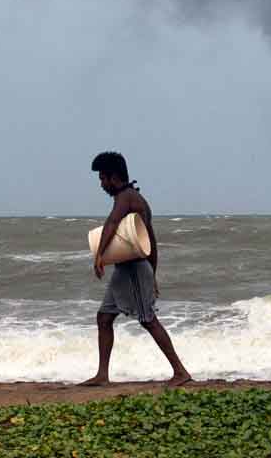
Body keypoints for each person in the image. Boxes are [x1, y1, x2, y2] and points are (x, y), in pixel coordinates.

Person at [82, 152, 192, 388]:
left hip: (133, 270)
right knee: (103, 318)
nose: (101, 184)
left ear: (114, 177)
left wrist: (99, 255)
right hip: (125, 270)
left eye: (103, 178)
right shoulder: (130, 197)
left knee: (148, 319)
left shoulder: (127, 198)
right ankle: (102, 375)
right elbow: (150, 240)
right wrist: (154, 273)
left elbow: (112, 223)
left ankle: (180, 372)